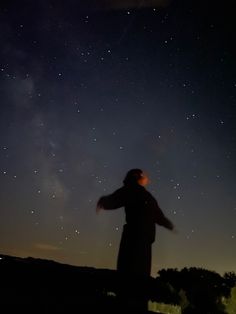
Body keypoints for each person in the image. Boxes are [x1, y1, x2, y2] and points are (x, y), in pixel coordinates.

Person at [96, 168, 176, 312]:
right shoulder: (135, 191)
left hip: (142, 240)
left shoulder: (143, 194)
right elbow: (115, 200)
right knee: (133, 278)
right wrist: (104, 201)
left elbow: (157, 216)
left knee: (135, 278)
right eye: (143, 175)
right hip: (136, 239)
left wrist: (167, 224)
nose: (147, 177)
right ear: (137, 177)